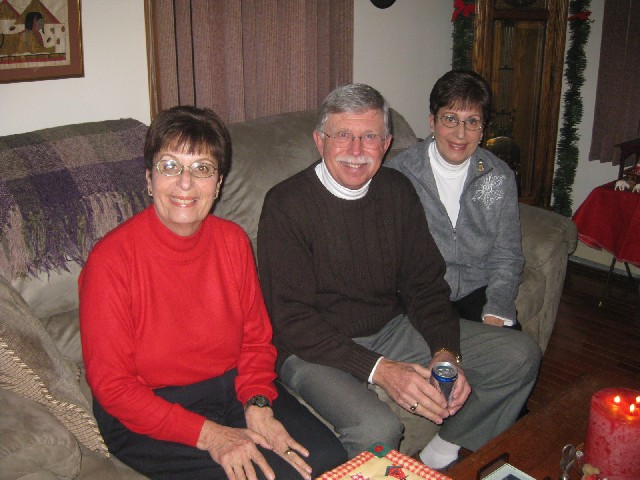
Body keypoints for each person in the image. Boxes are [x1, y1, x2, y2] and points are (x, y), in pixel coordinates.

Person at [257, 84, 541, 469]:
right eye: (343, 135)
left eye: (369, 137)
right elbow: (292, 320)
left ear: (386, 143)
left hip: (389, 328)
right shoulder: (286, 204)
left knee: (518, 355)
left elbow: (425, 284)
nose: (357, 150)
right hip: (310, 348)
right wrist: (381, 370)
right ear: (319, 141)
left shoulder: (397, 190)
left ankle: (445, 451)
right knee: (378, 429)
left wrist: (445, 350)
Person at [79, 106, 346, 480]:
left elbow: (256, 340)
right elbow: (114, 387)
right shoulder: (110, 261)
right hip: (147, 408)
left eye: (202, 168)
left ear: (218, 184)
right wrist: (211, 436)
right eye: (170, 166)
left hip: (232, 388)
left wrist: (257, 403)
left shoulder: (233, 241)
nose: (185, 183)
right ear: (149, 178)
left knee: (328, 459)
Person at [386, 69, 523, 329]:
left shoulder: (499, 176)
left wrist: (496, 308)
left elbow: (507, 255)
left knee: (515, 349)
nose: (461, 134)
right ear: (432, 122)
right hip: (421, 292)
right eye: (450, 119)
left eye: (472, 121)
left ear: (482, 130)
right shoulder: (399, 174)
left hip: (478, 289)